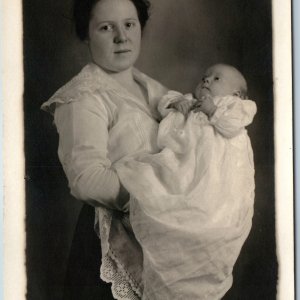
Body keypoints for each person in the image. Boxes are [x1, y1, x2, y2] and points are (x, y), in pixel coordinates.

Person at [41, 0, 168, 299]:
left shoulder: (150, 87)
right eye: (106, 27)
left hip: (157, 240)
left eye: (129, 24)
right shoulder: (83, 97)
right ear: (86, 34)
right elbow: (87, 179)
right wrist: (160, 196)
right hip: (109, 245)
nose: (121, 37)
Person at [115, 64, 257, 299]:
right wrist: (175, 104)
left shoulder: (235, 107)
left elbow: (233, 125)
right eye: (205, 77)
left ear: (237, 95)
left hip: (218, 178)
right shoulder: (190, 101)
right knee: (159, 191)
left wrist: (214, 111)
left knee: (210, 220)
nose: (207, 81)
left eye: (216, 78)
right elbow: (165, 102)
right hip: (186, 168)